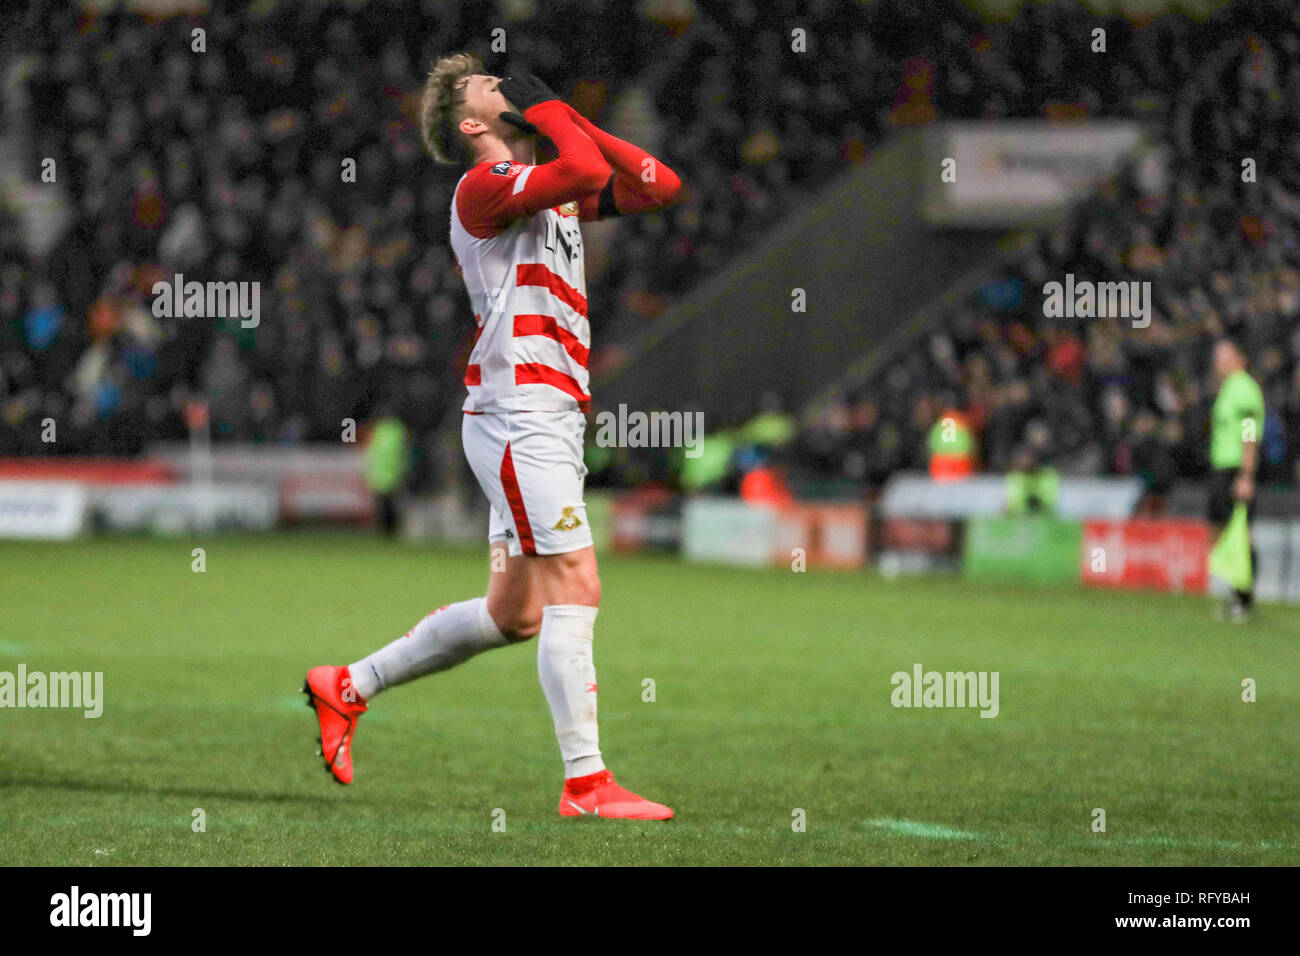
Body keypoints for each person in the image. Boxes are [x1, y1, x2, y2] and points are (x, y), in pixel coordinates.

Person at [304, 55, 681, 819]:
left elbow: (659, 186)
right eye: (489, 88)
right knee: (578, 583)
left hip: (550, 413)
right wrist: (551, 112)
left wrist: (564, 114)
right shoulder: (484, 188)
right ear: (474, 124)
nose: (505, 86)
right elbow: (577, 167)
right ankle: (587, 784)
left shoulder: (554, 193)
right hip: (520, 412)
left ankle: (347, 685)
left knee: (516, 615)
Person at [1207, 338, 1264, 622]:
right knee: (1227, 532)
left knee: (1242, 533)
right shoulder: (1228, 388)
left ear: (1239, 358)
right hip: (1222, 468)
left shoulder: (1244, 389)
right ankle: (1237, 593)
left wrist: (1246, 474)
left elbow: (1250, 432)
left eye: (1223, 356)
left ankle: (1245, 597)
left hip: (1236, 469)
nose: (1218, 362)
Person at [364, 411, 410, 537]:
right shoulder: (397, 429)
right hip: (389, 473)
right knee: (387, 505)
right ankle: (388, 530)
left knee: (387, 505)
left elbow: (372, 452)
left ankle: (389, 530)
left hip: (385, 473)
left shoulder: (380, 430)